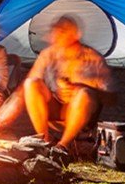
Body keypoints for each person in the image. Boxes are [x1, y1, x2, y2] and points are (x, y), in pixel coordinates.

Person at [23, 15, 116, 154]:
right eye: (56, 31)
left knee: (84, 94)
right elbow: (28, 86)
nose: (57, 35)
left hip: (82, 112)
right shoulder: (48, 54)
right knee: (31, 84)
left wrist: (82, 88)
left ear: (75, 35)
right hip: (57, 109)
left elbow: (112, 97)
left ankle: (63, 146)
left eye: (63, 32)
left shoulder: (92, 58)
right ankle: (44, 141)